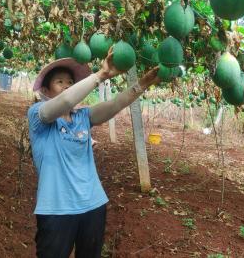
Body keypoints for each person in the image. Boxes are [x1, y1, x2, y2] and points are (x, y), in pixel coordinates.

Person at [27, 48, 160, 258]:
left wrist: (142, 84)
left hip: (93, 205)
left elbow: (115, 104)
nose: (67, 85)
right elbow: (65, 102)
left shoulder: (83, 117)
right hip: (56, 209)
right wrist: (100, 75)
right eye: (59, 82)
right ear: (46, 90)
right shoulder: (38, 116)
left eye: (70, 82)